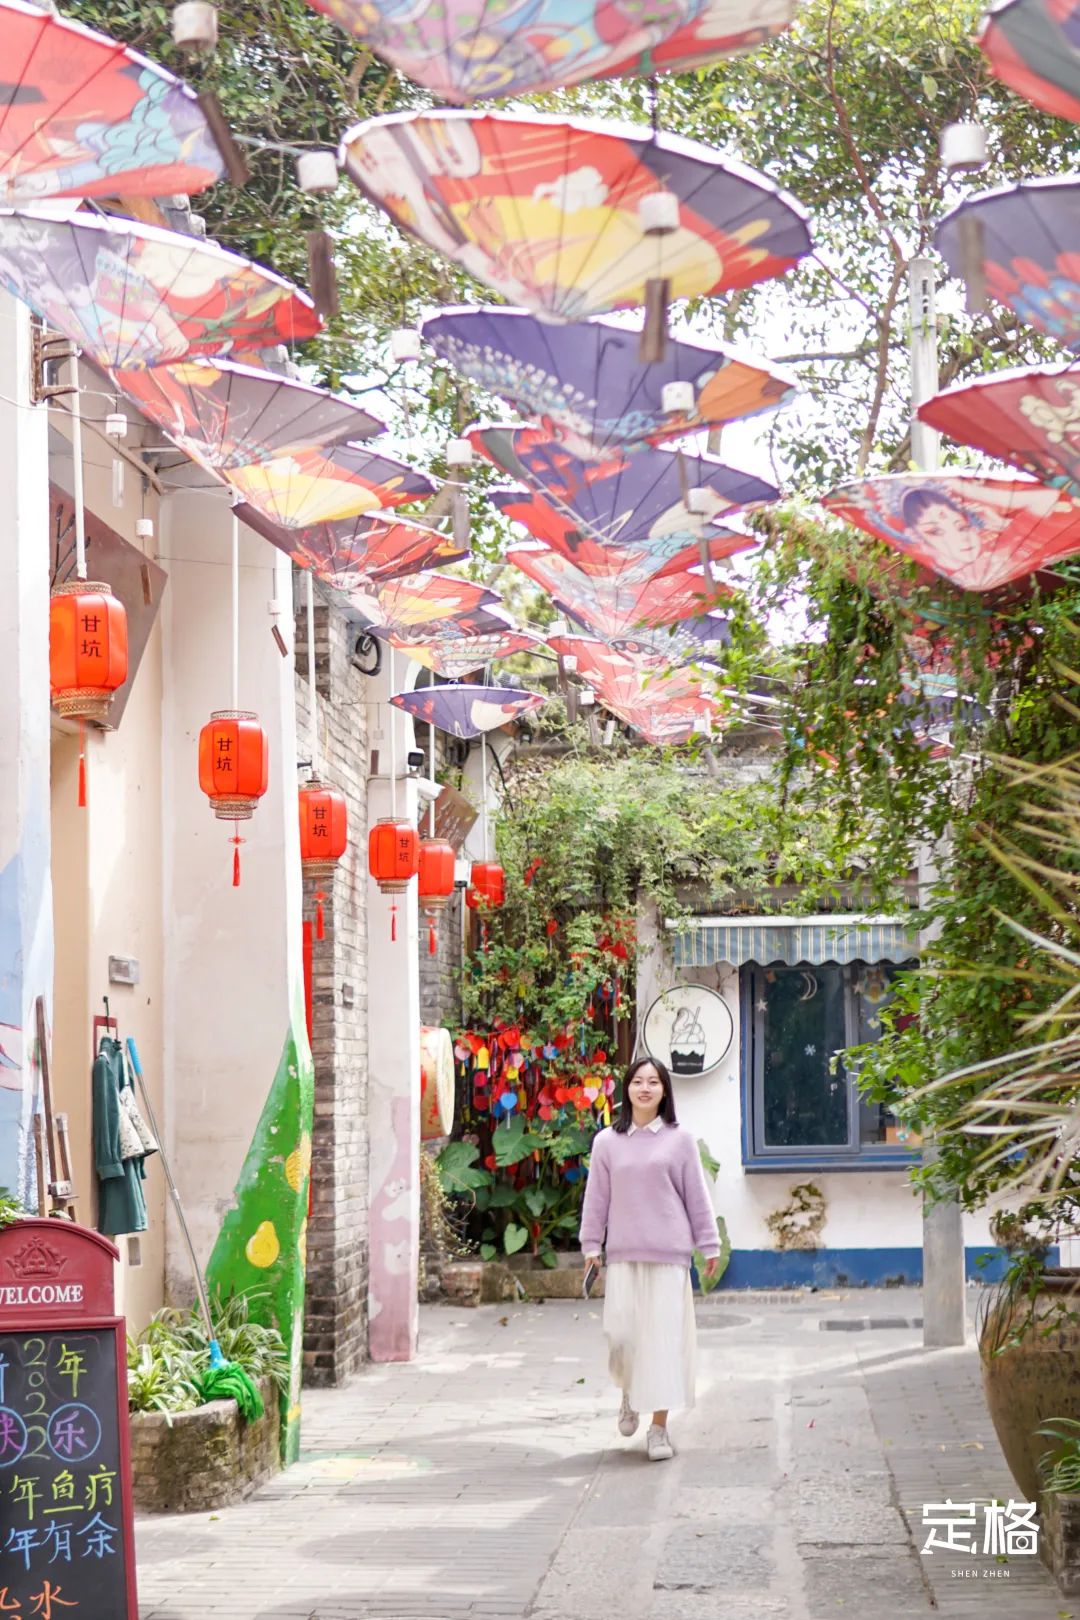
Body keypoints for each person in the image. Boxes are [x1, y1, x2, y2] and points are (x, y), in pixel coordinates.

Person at [579, 1056, 720, 1462]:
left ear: (664, 1091)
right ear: (627, 1088)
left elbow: (697, 1196)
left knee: (663, 1345)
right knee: (621, 1336)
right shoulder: (607, 1141)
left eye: (654, 1082)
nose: (645, 1088)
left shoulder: (680, 1140)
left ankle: (658, 1429)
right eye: (638, 1081)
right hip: (623, 1255)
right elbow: (596, 1200)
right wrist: (592, 1247)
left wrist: (708, 1245)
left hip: (669, 1256)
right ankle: (629, 1394)